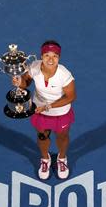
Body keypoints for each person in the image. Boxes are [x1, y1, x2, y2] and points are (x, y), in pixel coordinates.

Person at [12, 40, 76, 180]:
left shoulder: (64, 75)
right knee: (43, 136)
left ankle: (61, 159)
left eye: (55, 56)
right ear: (42, 56)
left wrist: (48, 107)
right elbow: (25, 84)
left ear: (59, 58)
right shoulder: (34, 67)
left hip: (60, 112)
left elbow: (71, 97)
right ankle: (45, 159)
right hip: (40, 110)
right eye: (47, 55)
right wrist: (19, 82)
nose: (51, 59)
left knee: (62, 136)